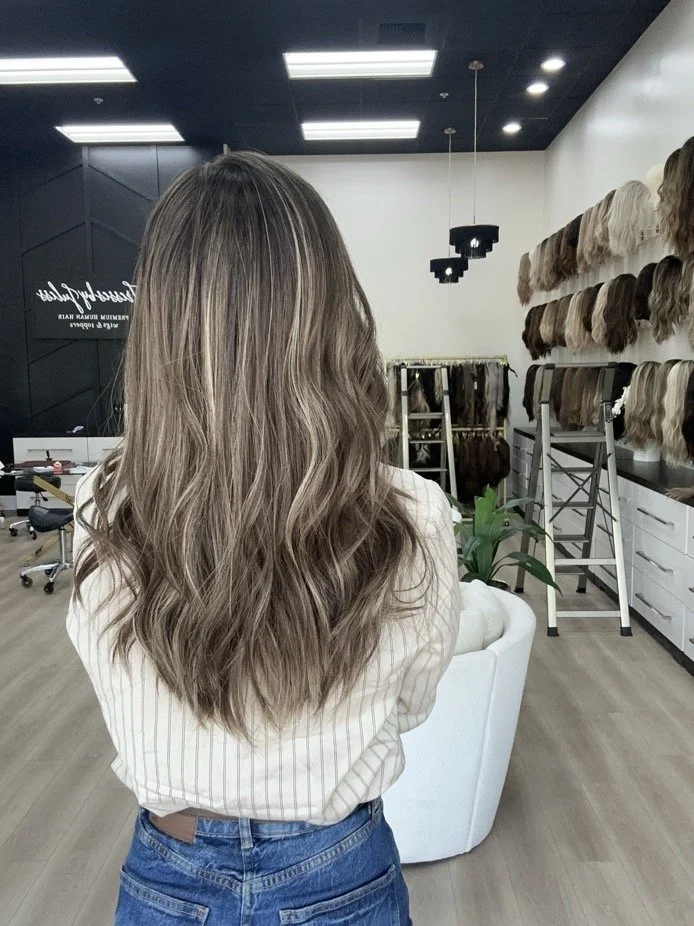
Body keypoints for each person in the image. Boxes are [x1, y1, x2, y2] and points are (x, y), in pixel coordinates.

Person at [67, 151, 460, 925]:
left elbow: (119, 695)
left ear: (161, 327)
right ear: (328, 311)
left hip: (168, 878)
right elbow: (411, 704)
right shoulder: (407, 514)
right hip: (343, 872)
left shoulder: (105, 510)